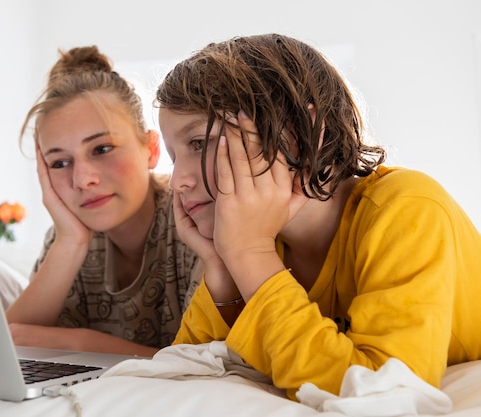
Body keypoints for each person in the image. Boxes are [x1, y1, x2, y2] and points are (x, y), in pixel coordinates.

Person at [155, 33, 481, 400]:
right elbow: (181, 374)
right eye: (173, 156)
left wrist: (250, 255)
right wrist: (222, 268)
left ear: (295, 135)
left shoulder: (409, 208)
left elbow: (384, 393)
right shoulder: (260, 238)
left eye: (198, 144)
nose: (177, 182)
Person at [5, 46, 200, 357]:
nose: (82, 179)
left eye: (102, 149)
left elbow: (215, 362)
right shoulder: (66, 238)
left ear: (150, 150)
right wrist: (69, 242)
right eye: (59, 163)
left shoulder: (194, 221)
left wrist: (80, 344)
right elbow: (7, 348)